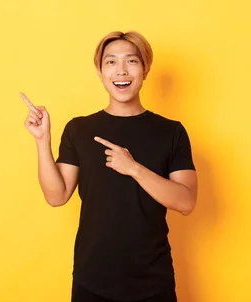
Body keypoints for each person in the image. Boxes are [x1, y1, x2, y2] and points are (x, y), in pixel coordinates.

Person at [20, 31, 198, 302]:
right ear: (100, 72)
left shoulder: (171, 132)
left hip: (152, 282)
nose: (121, 71)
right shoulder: (79, 129)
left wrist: (134, 168)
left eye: (131, 61)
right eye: (111, 62)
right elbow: (56, 196)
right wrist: (43, 141)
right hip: (92, 280)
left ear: (145, 69)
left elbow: (186, 202)